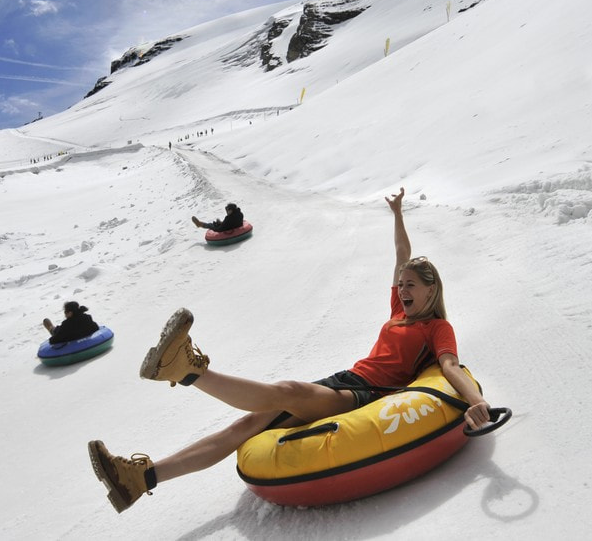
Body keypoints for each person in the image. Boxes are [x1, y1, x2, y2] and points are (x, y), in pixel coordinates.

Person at [88, 187, 491, 513]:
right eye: (400, 285)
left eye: (411, 286)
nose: (402, 290)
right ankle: (141, 478)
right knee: (243, 427)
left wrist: (477, 403)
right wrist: (399, 215)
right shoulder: (398, 313)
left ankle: (186, 371)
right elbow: (401, 255)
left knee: (287, 390)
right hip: (347, 379)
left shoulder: (437, 327)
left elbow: (451, 366)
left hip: (367, 395)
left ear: (431, 289)